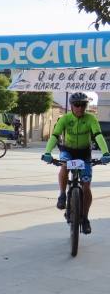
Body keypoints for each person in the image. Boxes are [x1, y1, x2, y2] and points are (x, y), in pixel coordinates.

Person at [41, 92, 110, 235]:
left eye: (83, 105)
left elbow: (98, 135)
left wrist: (106, 153)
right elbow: (55, 136)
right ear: (71, 106)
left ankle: (85, 219)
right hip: (68, 150)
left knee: (86, 187)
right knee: (64, 166)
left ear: (86, 106)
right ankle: (62, 195)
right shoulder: (65, 119)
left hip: (84, 153)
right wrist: (47, 152)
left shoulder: (91, 118)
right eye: (76, 105)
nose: (80, 108)